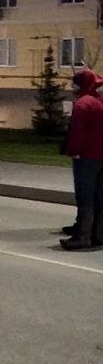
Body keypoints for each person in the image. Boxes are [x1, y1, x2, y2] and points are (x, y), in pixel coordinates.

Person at [60, 68, 103, 250]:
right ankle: (98, 234)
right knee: (100, 196)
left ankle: (82, 236)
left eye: (75, 83)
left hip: (86, 157)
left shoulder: (83, 104)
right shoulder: (100, 102)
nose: (73, 87)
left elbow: (78, 133)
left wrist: (73, 151)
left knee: (85, 196)